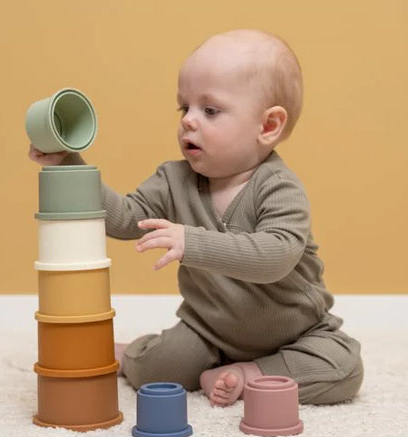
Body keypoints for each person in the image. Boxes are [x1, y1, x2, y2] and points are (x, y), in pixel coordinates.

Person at [29, 29, 363, 407]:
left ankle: (253, 372)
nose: (189, 120)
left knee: (345, 367)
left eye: (210, 110)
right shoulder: (173, 181)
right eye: (183, 107)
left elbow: (277, 256)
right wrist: (69, 164)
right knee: (158, 368)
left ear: (268, 126)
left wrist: (192, 242)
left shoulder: (279, 187)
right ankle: (131, 353)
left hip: (297, 333)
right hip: (208, 331)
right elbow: (125, 219)